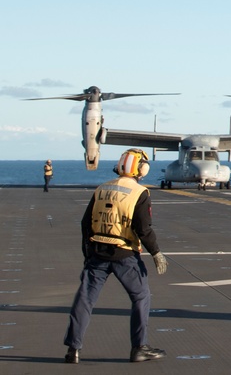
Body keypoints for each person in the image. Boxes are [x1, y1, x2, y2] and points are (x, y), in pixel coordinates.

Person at [63, 148, 169, 364]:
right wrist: (156, 252)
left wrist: (87, 253)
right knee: (141, 297)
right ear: (141, 169)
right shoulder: (140, 193)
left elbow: (86, 224)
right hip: (124, 254)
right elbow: (144, 229)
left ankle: (73, 349)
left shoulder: (102, 189)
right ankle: (139, 347)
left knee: (85, 299)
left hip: (97, 253)